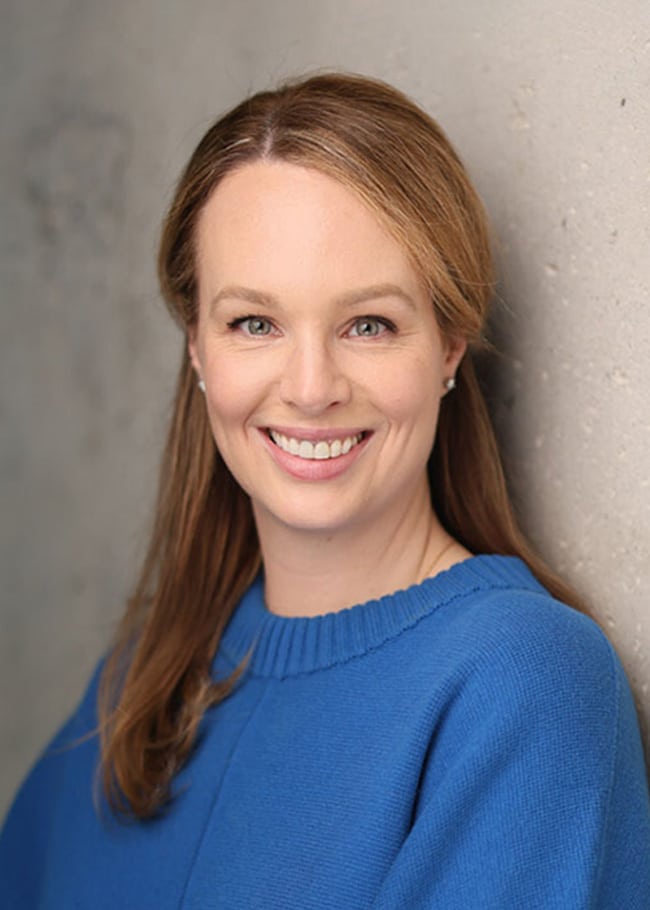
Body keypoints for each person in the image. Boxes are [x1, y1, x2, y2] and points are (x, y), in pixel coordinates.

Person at [1, 71, 649, 909]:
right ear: (196, 347)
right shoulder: (147, 679)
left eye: (368, 324)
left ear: (450, 344)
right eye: (254, 324)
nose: (311, 388)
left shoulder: (522, 686)